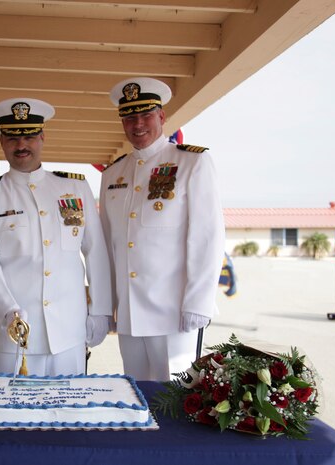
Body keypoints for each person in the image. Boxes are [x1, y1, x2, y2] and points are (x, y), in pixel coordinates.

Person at [0, 98, 112, 376]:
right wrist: (7, 309)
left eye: (30, 136)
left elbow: (96, 251)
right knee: (9, 416)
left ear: (42, 137)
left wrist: (101, 310)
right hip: (12, 332)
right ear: (1, 141)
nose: (21, 145)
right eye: (12, 138)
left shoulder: (74, 187)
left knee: (68, 414)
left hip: (68, 332)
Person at [100, 77, 225, 381]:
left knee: (178, 402)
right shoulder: (113, 174)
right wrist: (109, 305)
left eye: (145, 115)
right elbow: (108, 246)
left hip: (175, 313)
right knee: (138, 395)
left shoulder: (192, 162)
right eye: (129, 117)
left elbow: (208, 237)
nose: (137, 124)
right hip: (129, 313)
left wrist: (199, 301)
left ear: (162, 117)